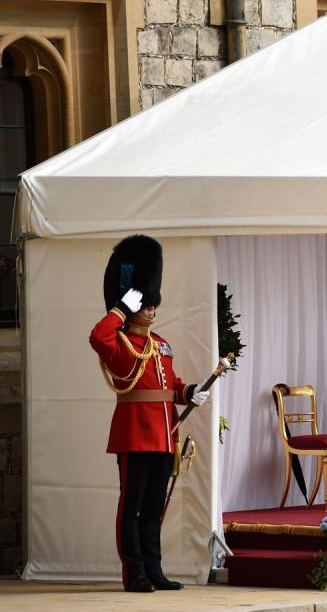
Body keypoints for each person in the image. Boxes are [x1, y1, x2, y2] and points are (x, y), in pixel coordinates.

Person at [89, 235, 209, 593]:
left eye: (153, 304)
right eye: (146, 305)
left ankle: (154, 569)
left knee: (156, 506)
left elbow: (170, 383)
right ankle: (135, 572)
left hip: (164, 433)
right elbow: (97, 335)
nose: (152, 310)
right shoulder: (120, 341)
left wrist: (189, 393)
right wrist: (119, 309)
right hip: (134, 433)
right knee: (133, 506)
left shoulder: (161, 344)